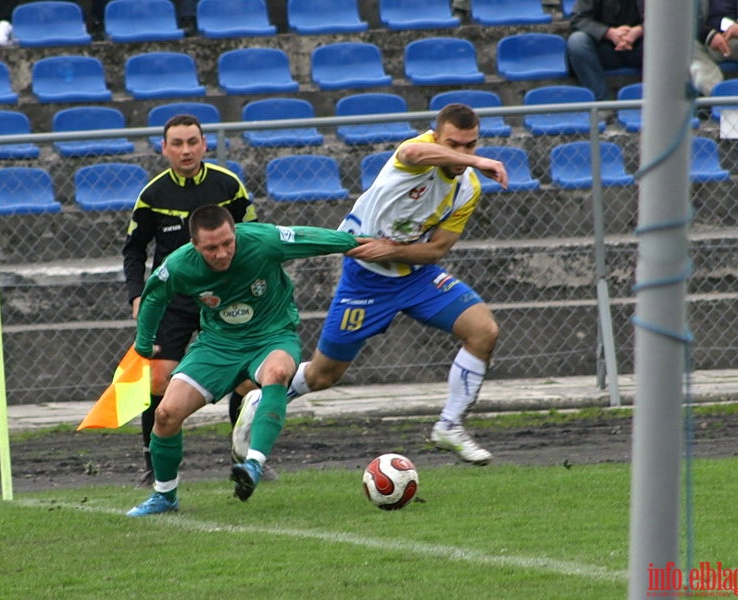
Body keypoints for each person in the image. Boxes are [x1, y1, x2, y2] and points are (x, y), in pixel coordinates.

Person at [233, 103, 509, 466]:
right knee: (323, 374)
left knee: (484, 331)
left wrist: (393, 249)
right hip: (365, 279)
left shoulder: (467, 188)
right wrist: (479, 161)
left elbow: (438, 249)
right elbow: (414, 151)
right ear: (437, 137)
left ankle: (450, 425)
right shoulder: (414, 154)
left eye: (471, 146)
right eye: (454, 145)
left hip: (415, 276)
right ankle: (262, 397)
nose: (462, 154)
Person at [125, 205, 370, 516]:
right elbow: (154, 297)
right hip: (217, 345)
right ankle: (164, 496)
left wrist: (357, 243)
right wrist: (144, 343)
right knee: (166, 414)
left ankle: (254, 463)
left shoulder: (262, 240)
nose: (222, 252)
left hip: (272, 336)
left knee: (278, 372)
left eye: (228, 243)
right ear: (194, 245)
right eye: (211, 248)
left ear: (235, 232)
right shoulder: (179, 265)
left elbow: (310, 237)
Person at [122, 114, 256, 487]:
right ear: (163, 149)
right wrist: (137, 295)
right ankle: (155, 464)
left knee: (245, 379)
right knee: (159, 378)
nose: (185, 150)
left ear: (204, 144)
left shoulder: (228, 185)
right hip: (174, 300)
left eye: (192, 142)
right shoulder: (152, 195)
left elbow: (253, 238)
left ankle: (242, 456)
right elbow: (133, 250)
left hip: (226, 296)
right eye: (177, 143)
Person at [566, 0, 645, 101]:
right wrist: (609, 33)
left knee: (665, 41)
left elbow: (665, 19)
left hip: (643, 47)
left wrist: (638, 31)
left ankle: (656, 103)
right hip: (603, 49)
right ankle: (601, 104)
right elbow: (577, 19)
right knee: (577, 41)